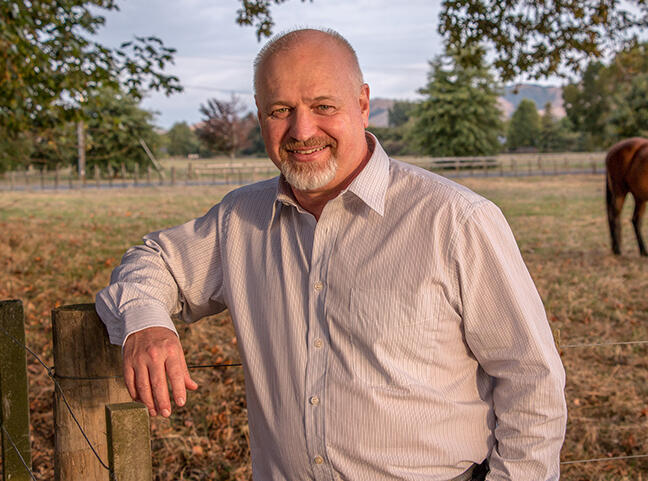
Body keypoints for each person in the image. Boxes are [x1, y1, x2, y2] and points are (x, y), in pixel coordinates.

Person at [96, 28, 567, 481]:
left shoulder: (456, 220)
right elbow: (151, 261)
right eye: (281, 109)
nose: (302, 130)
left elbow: (532, 383)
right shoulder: (240, 219)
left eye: (323, 106)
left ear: (362, 104)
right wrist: (145, 322)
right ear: (260, 113)